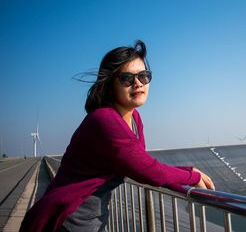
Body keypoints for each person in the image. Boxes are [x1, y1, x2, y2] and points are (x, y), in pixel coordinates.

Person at [20, 40, 215, 232]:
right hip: (67, 221)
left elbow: (140, 163)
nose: (138, 83)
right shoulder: (104, 120)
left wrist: (180, 176)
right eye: (126, 78)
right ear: (110, 85)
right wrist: (191, 175)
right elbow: (146, 170)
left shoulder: (134, 120)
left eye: (144, 76)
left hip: (91, 220)